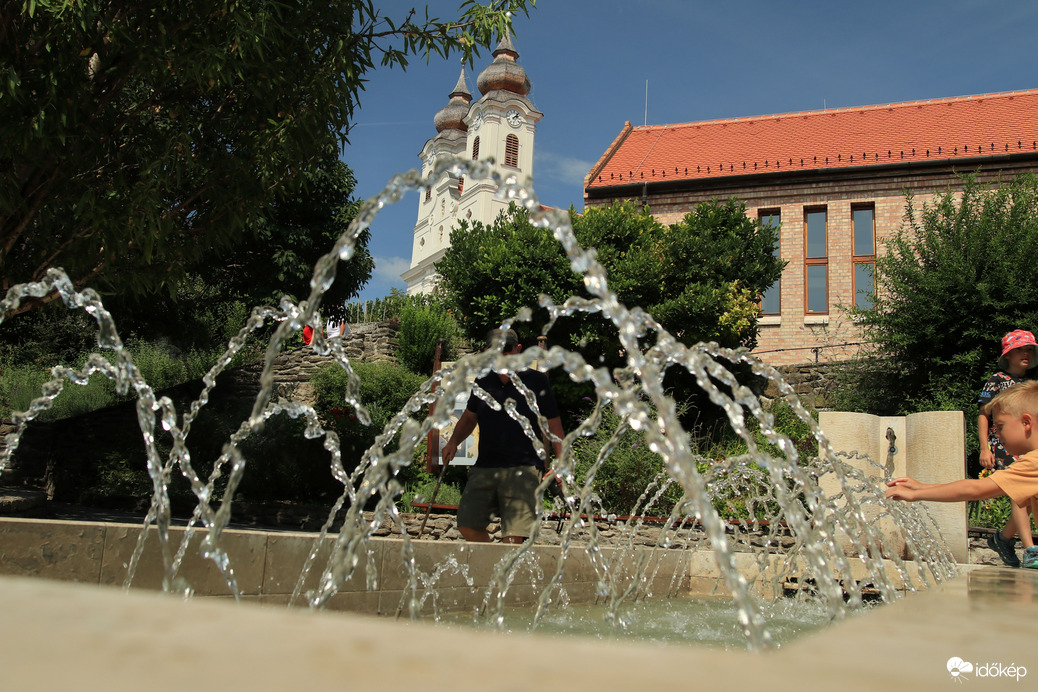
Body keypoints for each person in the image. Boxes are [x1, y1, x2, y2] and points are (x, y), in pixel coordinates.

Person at [886, 380, 1038, 570]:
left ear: (1026, 423)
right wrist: (922, 486)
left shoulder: (1033, 463)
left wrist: (917, 493)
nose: (997, 435)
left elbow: (975, 489)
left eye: (1000, 426)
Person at [441, 328, 564, 544]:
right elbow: (469, 418)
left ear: (518, 349)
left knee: (513, 538)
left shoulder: (536, 380)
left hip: (524, 469)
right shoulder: (483, 382)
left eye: (507, 349)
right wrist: (453, 442)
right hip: (485, 467)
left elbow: (553, 423)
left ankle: (505, 564)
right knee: (467, 525)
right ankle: (493, 562)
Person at [975, 329, 1037, 566]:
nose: (1026, 354)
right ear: (1008, 355)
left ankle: (1002, 539)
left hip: (1029, 445)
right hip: (1004, 444)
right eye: (1021, 349)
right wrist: (984, 448)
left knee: (1031, 496)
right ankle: (1030, 550)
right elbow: (984, 414)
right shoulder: (997, 380)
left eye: (1030, 349)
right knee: (1019, 493)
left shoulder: (1031, 383)